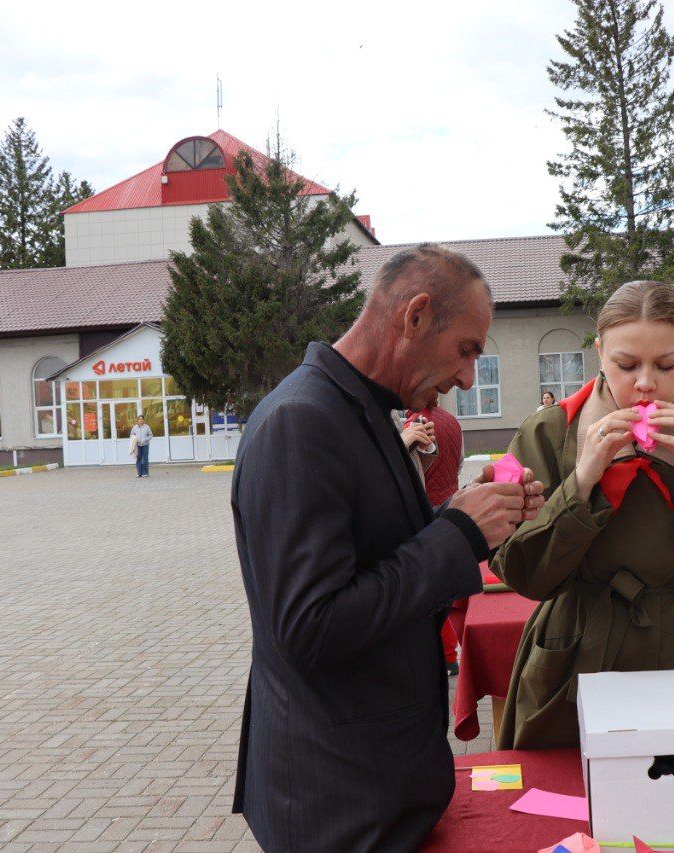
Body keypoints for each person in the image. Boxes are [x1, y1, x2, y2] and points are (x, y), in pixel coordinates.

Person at [230, 244, 546, 851]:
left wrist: (454, 515)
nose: (467, 378)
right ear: (416, 316)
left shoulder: (365, 409)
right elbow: (310, 627)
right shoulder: (301, 421)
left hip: (375, 790)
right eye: (466, 350)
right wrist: (458, 535)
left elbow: (370, 550)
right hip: (338, 807)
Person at [492, 280, 674, 750]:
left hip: (673, 650)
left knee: (672, 797)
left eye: (666, 365)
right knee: (560, 804)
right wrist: (583, 481)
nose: (646, 382)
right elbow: (522, 573)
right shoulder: (548, 432)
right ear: (601, 351)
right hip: (570, 652)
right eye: (626, 365)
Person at [404, 404, 466, 675]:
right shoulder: (453, 421)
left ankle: (442, 656)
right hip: (451, 504)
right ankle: (451, 656)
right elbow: (460, 463)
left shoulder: (410, 425)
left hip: (425, 510)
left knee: (430, 589)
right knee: (448, 587)